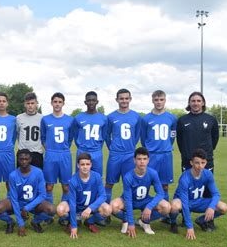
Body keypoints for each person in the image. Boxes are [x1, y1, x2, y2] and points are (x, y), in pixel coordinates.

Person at [0, 149, 56, 235]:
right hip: (18, 203)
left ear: (30, 159)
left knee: (52, 210)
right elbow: (14, 199)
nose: (24, 161)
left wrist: (27, 208)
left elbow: (42, 195)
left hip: (33, 202)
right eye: (21, 159)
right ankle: (10, 222)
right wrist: (21, 224)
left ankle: (35, 221)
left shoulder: (38, 172)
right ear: (17, 160)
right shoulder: (13, 175)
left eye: (26, 159)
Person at [111, 147, 171, 237]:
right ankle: (126, 220)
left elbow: (160, 193)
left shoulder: (153, 173)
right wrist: (131, 224)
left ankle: (144, 221)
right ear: (134, 160)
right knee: (113, 205)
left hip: (145, 200)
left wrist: (149, 207)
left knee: (166, 207)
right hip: (130, 200)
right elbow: (128, 200)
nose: (142, 161)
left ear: (148, 160)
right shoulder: (128, 177)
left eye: (144, 159)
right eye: (139, 159)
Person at [169, 149, 227, 239]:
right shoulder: (185, 178)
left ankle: (201, 220)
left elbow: (216, 194)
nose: (200, 166)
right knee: (174, 206)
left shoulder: (208, 174)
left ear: (206, 163)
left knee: (223, 207)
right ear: (191, 162)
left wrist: (211, 207)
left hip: (198, 201)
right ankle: (173, 222)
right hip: (184, 202)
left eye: (202, 163)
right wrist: (190, 226)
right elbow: (184, 203)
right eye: (197, 163)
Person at [105, 88, 141, 223]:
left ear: (130, 99)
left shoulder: (136, 116)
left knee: (129, 183)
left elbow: (137, 135)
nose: (124, 101)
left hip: (129, 155)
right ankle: (106, 213)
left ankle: (126, 212)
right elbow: (107, 136)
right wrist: (112, 148)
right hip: (115, 154)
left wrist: (131, 147)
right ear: (117, 100)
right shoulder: (111, 117)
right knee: (109, 183)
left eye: (126, 98)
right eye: (121, 98)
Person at [56, 152, 112, 239]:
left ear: (91, 165)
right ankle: (73, 221)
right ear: (78, 165)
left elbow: (103, 196)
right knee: (60, 210)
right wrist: (74, 226)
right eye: (82, 164)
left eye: (87, 164)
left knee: (108, 209)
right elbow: (72, 203)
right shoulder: (73, 180)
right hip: (77, 206)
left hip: (90, 206)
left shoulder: (97, 177)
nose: (85, 167)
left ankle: (89, 221)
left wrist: (90, 208)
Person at [140, 90, 177, 202]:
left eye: (161, 100)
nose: (159, 102)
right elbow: (143, 138)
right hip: (151, 155)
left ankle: (164, 212)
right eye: (156, 100)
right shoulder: (146, 119)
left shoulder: (172, 118)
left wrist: (166, 146)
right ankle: (144, 207)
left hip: (166, 155)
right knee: (146, 182)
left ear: (165, 100)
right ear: (152, 101)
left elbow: (172, 135)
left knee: (164, 184)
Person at [40, 92, 75, 207]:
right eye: (55, 102)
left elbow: (70, 138)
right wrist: (49, 149)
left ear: (63, 104)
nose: (57, 104)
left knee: (66, 186)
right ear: (51, 103)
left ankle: (63, 212)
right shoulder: (45, 119)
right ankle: (49, 212)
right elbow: (43, 137)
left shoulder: (70, 120)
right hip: (51, 155)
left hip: (64, 154)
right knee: (49, 186)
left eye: (60, 102)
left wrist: (63, 148)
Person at [177, 91, 219, 173]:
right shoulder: (182, 120)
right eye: (193, 101)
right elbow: (179, 139)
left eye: (198, 101)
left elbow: (215, 138)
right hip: (188, 161)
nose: (196, 103)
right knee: (188, 185)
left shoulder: (211, 119)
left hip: (206, 160)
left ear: (203, 103)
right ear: (189, 103)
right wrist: (186, 153)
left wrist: (207, 151)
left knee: (207, 186)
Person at [73, 91, 108, 176]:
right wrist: (81, 146)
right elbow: (75, 135)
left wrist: (97, 147)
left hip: (96, 152)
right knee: (79, 178)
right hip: (82, 150)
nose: (91, 102)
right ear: (85, 102)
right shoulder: (78, 117)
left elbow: (104, 136)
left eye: (93, 100)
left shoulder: (103, 118)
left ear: (97, 101)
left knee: (97, 178)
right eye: (89, 100)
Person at [16, 92, 44, 169]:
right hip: (23, 153)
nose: (30, 105)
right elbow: (18, 134)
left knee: (37, 178)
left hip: (37, 153)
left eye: (32, 103)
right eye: (28, 103)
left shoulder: (42, 118)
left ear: (36, 104)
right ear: (25, 104)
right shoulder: (19, 118)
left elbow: (43, 135)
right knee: (21, 178)